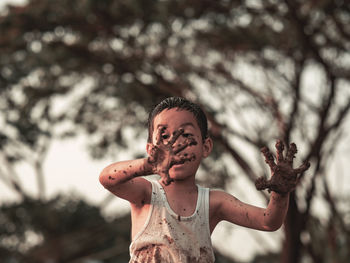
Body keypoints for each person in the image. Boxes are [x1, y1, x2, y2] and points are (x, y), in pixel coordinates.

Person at [99, 97, 310, 263]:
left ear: (205, 147)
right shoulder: (146, 194)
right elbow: (108, 179)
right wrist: (147, 165)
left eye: (186, 136)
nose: (176, 145)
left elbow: (268, 221)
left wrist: (280, 194)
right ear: (151, 149)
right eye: (165, 137)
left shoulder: (213, 202)